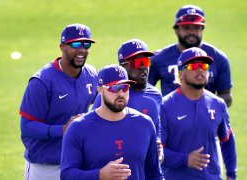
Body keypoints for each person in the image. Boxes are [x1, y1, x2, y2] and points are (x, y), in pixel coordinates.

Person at [19, 23, 98, 180]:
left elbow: (99, 109)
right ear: (62, 47)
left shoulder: (91, 75)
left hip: (77, 163)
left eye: (86, 44)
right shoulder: (42, 82)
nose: (82, 50)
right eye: (75, 44)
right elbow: (26, 127)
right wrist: (63, 129)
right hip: (44, 167)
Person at [61, 64, 164, 180]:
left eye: (125, 87)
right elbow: (66, 175)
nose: (120, 93)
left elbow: (154, 175)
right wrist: (99, 175)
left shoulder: (145, 124)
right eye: (114, 88)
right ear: (100, 90)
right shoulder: (78, 128)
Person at [160, 47, 237, 179]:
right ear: (181, 74)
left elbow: (227, 140)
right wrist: (185, 159)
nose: (200, 69)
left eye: (204, 65)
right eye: (194, 66)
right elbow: (157, 152)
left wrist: (231, 175)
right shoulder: (165, 106)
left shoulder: (218, 104)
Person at [92, 39, 164, 161]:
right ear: (122, 66)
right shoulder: (109, 95)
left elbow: (156, 127)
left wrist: (158, 144)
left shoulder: (155, 95)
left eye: (146, 61)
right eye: (136, 62)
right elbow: (94, 133)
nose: (142, 67)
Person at [148, 4, 233, 107]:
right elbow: (145, 91)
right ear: (177, 30)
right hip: (170, 119)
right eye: (186, 27)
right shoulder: (159, 58)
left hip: (205, 120)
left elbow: (226, 95)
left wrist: (207, 109)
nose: (192, 32)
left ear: (202, 29)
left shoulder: (218, 58)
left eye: (197, 28)